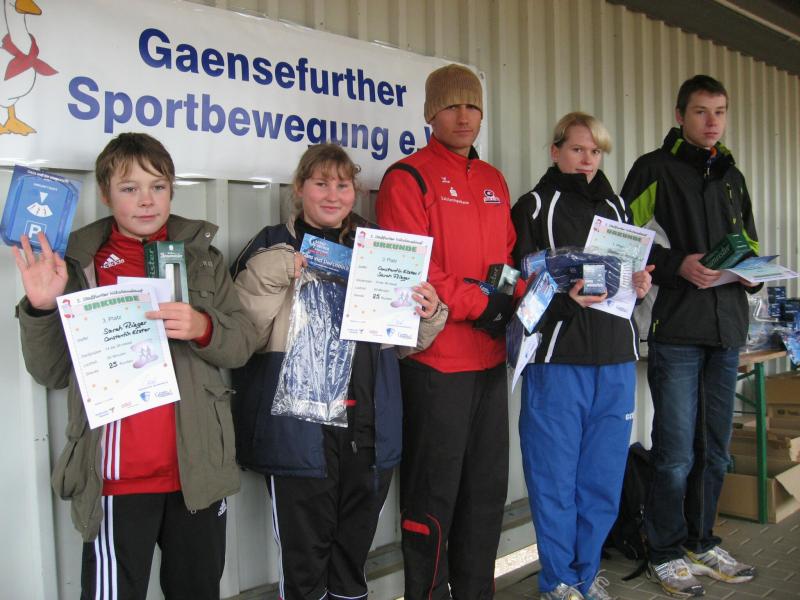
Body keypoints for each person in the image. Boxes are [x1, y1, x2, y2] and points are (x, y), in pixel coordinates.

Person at [13, 132, 256, 599]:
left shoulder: (202, 257)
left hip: (196, 474)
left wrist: (203, 326)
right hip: (115, 481)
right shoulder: (77, 264)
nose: (146, 200)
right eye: (129, 188)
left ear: (171, 190)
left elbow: (242, 344)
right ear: (105, 195)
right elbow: (51, 372)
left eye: (158, 186)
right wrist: (42, 308)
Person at [230, 143, 446, 600]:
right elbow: (241, 337)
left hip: (367, 431)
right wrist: (275, 272)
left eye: (343, 185)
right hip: (299, 435)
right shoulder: (271, 245)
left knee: (351, 561)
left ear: (355, 191)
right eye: (321, 183)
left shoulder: (379, 246)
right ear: (299, 188)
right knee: (304, 565)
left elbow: (405, 344)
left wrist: (428, 313)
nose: (333, 195)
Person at [376, 63, 519, 599]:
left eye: (472, 105)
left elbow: (507, 261)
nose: (464, 116)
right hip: (436, 365)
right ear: (430, 114)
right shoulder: (407, 177)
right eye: (452, 106)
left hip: (490, 362)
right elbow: (415, 271)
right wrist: (483, 305)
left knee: (485, 497)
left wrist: (524, 296)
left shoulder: (493, 180)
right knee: (432, 500)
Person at [622, 74, 759, 598]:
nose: (711, 122)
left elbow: (748, 241)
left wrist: (751, 271)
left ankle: (702, 542)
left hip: (727, 328)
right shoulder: (652, 169)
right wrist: (677, 262)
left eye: (719, 112)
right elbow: (621, 239)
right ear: (680, 116)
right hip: (677, 327)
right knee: (676, 452)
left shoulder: (732, 176)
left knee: (715, 449)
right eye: (701, 112)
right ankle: (664, 551)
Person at [511, 112, 653, 600]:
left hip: (615, 358)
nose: (587, 159)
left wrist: (639, 283)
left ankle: (586, 576)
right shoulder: (534, 206)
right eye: (577, 149)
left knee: (602, 480)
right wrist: (563, 299)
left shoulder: (618, 207)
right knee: (554, 479)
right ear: (556, 151)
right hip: (559, 359)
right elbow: (519, 285)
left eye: (595, 151)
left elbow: (627, 276)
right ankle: (558, 580)